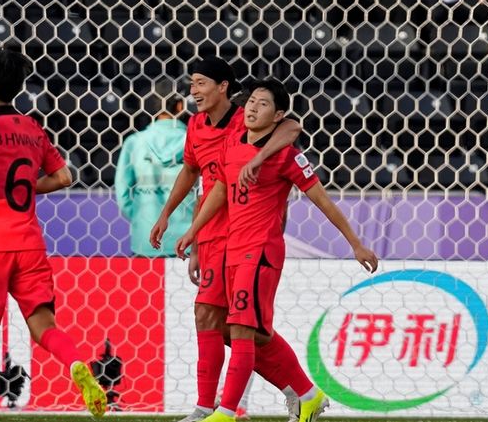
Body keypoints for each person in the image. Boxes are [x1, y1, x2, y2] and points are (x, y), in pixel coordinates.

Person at [175, 78, 379, 422]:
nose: (253, 108)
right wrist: (192, 232)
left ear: (278, 115)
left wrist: (356, 243)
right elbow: (220, 192)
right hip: (232, 249)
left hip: (262, 252)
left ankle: (225, 412)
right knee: (249, 330)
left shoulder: (287, 156)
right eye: (251, 102)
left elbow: (322, 200)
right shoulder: (233, 143)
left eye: (263, 104)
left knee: (241, 328)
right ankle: (307, 395)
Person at [0, 47, 107, 422]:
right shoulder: (32, 129)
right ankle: (78, 362)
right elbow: (65, 176)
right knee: (44, 326)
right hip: (29, 242)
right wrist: (27, 186)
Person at [149, 57, 303, 422]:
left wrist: (261, 157)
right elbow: (193, 171)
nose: (193, 91)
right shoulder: (196, 125)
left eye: (200, 83)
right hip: (212, 233)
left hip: (244, 234)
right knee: (209, 317)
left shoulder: (245, 118)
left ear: (223, 87)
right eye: (191, 83)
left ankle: (262, 399)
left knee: (241, 327)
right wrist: (169, 214)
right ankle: (210, 406)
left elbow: (292, 127)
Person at [115, 94, 194, 257]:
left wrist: (140, 220)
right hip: (187, 240)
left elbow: (122, 193)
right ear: (180, 106)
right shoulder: (195, 140)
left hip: (146, 239)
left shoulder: (135, 142)